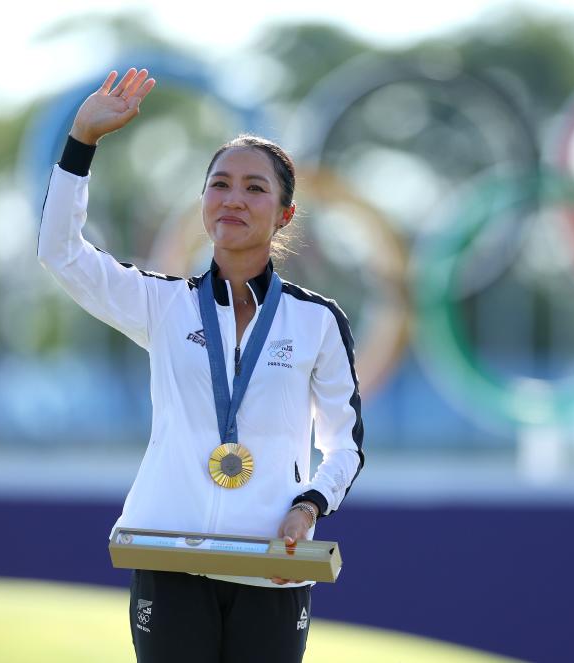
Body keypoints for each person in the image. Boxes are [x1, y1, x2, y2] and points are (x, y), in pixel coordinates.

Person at [37, 68, 365, 663]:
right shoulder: (162, 305)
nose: (234, 198)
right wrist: (81, 142)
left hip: (273, 562)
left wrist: (308, 504)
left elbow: (345, 444)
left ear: (285, 214)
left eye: (255, 188)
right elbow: (59, 252)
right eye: (220, 184)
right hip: (168, 552)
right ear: (203, 202)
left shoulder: (317, 321)